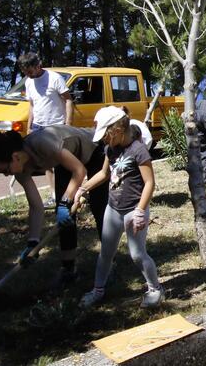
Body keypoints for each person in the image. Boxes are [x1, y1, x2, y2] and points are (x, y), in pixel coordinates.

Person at [0, 126, 108, 284]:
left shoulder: (43, 143)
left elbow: (79, 170)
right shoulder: (20, 172)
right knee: (63, 216)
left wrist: (66, 201)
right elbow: (36, 206)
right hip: (66, 158)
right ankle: (68, 269)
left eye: (5, 170)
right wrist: (33, 242)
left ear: (15, 157)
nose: (6, 175)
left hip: (93, 150)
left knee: (99, 207)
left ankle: (109, 263)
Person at [78, 106, 163, 308]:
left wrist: (140, 211)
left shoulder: (138, 150)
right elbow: (104, 174)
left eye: (105, 135)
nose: (103, 140)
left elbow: (149, 183)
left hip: (134, 210)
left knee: (137, 254)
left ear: (116, 130)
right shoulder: (110, 149)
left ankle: (156, 289)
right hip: (113, 208)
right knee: (106, 253)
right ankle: (98, 290)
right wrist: (83, 189)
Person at [19, 52, 73, 205]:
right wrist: (29, 127)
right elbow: (32, 105)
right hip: (38, 127)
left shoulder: (54, 78)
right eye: (25, 72)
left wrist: (68, 125)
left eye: (30, 71)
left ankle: (67, 193)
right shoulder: (28, 82)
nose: (28, 75)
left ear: (38, 65)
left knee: (61, 162)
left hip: (56, 126)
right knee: (46, 163)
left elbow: (68, 100)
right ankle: (53, 194)